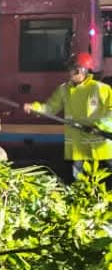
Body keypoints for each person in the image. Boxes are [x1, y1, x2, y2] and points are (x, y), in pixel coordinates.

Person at [24, 52, 112, 180]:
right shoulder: (63, 90)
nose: (70, 73)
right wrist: (35, 108)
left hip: (101, 148)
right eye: (70, 70)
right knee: (80, 188)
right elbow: (50, 108)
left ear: (82, 70)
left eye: (73, 70)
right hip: (78, 150)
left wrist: (98, 125)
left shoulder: (100, 89)